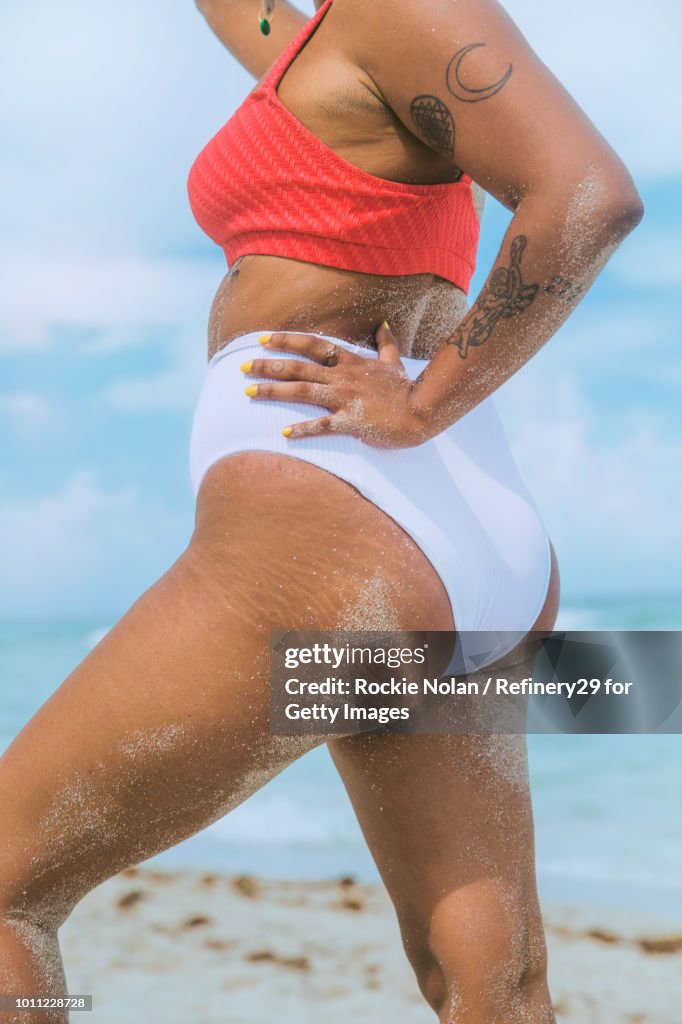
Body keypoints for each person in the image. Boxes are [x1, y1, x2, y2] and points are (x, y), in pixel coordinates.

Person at [0, 0, 642, 1020]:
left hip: (339, 538)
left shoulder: (400, 8)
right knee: (489, 988)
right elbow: (257, 25)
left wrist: (427, 400)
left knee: (8, 890)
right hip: (448, 552)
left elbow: (590, 193)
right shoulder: (337, 42)